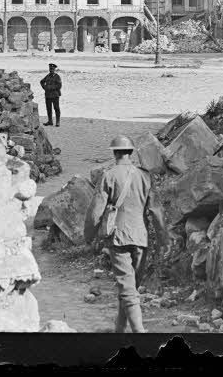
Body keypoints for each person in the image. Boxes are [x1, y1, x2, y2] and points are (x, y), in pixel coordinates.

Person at [86, 135, 170, 334]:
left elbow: (96, 210)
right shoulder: (145, 176)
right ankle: (119, 331)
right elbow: (156, 211)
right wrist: (163, 239)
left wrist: (89, 236)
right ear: (131, 152)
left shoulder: (109, 176)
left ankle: (139, 332)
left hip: (118, 237)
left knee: (127, 288)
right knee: (130, 287)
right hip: (141, 237)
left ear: (114, 153)